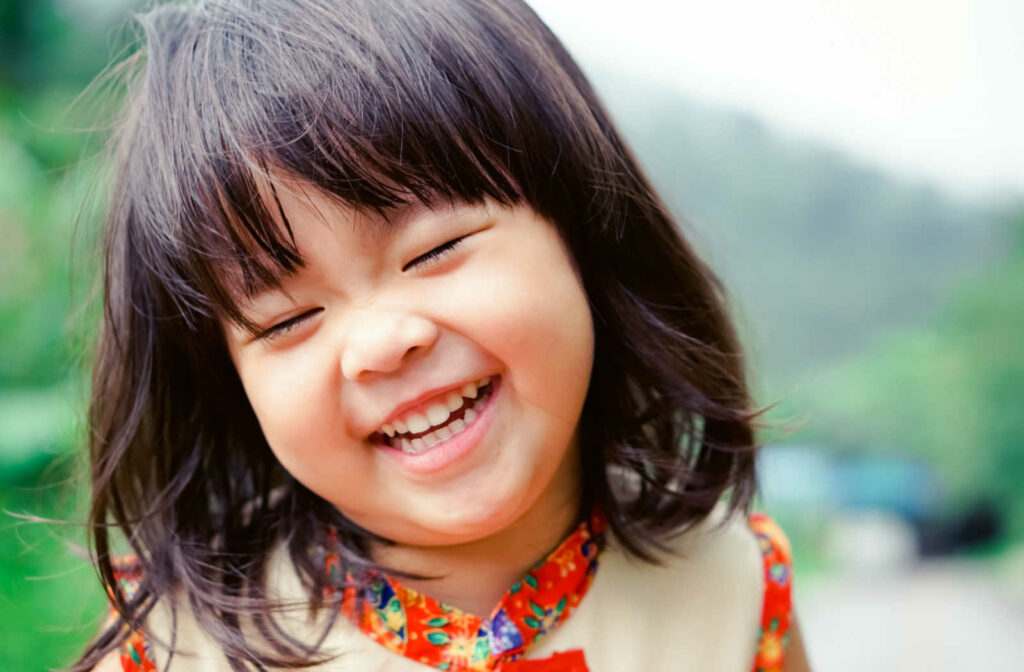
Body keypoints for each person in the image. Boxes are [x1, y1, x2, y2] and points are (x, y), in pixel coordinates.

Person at [77, 0, 810, 670]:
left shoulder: (736, 591)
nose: (380, 343)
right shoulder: (177, 647)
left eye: (431, 252)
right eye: (288, 319)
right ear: (225, 384)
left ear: (583, 234)